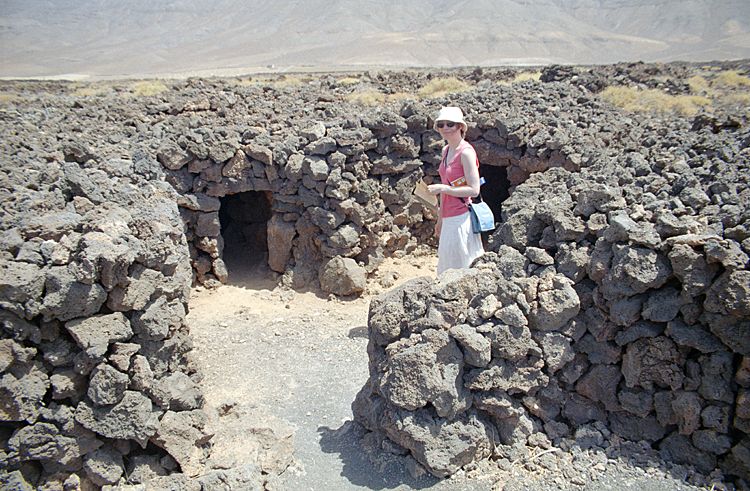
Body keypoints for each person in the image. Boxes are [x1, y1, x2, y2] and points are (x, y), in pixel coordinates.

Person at [427, 106, 484, 274]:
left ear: (460, 126)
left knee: (465, 264)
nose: (445, 128)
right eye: (441, 124)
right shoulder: (446, 150)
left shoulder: (466, 153)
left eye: (450, 124)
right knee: (447, 264)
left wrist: (444, 188)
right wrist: (440, 219)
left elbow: (474, 189)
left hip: (461, 218)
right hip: (448, 217)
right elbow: (447, 186)